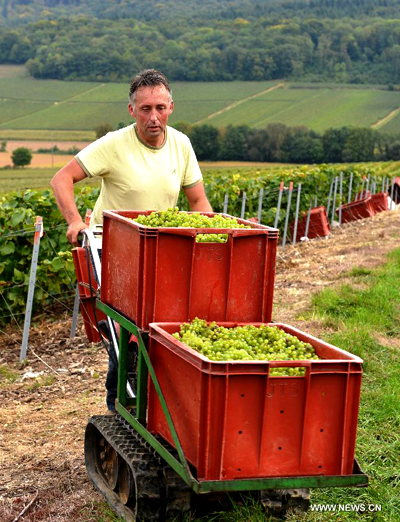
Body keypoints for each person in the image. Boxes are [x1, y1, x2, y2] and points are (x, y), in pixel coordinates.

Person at [51, 69, 212, 411]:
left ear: (171, 107)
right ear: (132, 110)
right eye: (145, 109)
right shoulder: (114, 144)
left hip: (160, 253)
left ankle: (156, 407)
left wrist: (212, 236)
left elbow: (198, 203)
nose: (153, 118)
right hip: (112, 254)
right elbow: (62, 178)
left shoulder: (181, 145)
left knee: (160, 331)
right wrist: (75, 222)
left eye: (159, 108)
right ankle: (120, 408)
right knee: (126, 334)